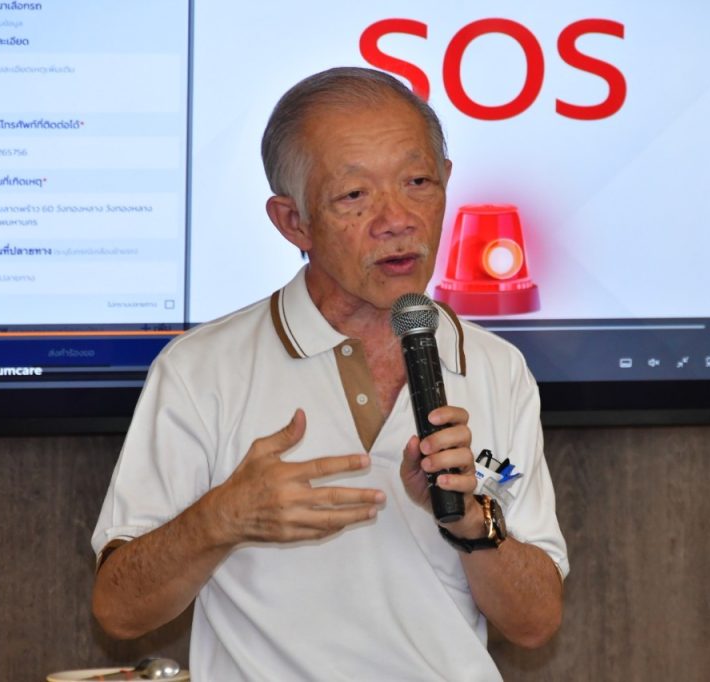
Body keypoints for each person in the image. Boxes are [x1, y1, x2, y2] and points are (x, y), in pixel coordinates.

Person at [91, 66, 568, 681]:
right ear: (293, 221)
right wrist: (220, 519)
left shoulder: (497, 367)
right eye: (354, 196)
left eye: (418, 182)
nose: (398, 219)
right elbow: (119, 611)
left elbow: (534, 623)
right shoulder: (200, 369)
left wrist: (473, 522)